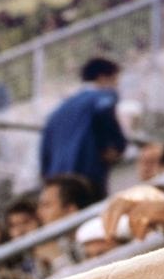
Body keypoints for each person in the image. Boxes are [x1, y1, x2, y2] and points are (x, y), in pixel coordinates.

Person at [39, 57, 126, 197]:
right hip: (87, 173)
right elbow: (103, 110)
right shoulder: (103, 95)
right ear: (103, 78)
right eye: (115, 81)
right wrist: (114, 146)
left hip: (57, 182)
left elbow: (45, 150)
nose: (116, 86)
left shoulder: (57, 112)